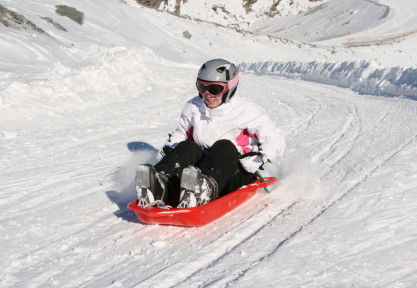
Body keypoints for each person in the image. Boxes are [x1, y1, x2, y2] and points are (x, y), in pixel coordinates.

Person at [135, 59, 285, 208]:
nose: (207, 94)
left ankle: (203, 190)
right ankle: (159, 186)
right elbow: (181, 134)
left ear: (230, 88)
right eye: (201, 87)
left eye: (215, 89)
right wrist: (169, 148)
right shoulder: (193, 106)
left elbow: (276, 138)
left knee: (224, 145)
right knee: (188, 146)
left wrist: (261, 156)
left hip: (234, 172)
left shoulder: (248, 111)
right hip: (196, 173)